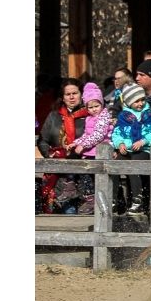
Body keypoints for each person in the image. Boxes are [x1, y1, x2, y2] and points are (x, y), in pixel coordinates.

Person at [37, 78, 93, 214]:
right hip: (61, 174)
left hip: (85, 172)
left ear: (81, 94)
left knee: (87, 217)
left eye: (75, 93)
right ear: (63, 97)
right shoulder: (54, 116)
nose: (72, 97)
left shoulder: (90, 116)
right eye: (68, 94)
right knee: (69, 213)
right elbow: (43, 140)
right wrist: (49, 154)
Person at [111, 83, 151, 215]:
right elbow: (116, 133)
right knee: (113, 165)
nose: (140, 104)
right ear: (128, 102)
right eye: (136, 101)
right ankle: (114, 199)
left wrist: (143, 141)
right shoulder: (123, 117)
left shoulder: (148, 115)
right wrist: (119, 144)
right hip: (127, 149)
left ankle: (137, 200)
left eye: (142, 100)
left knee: (134, 166)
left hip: (143, 149)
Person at [67, 82, 116, 160]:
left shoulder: (103, 117)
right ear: (87, 109)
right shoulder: (89, 118)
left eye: (97, 106)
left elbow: (98, 135)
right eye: (90, 107)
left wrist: (83, 145)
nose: (94, 109)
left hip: (101, 150)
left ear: (102, 104)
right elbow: (86, 135)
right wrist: (76, 143)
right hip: (91, 148)